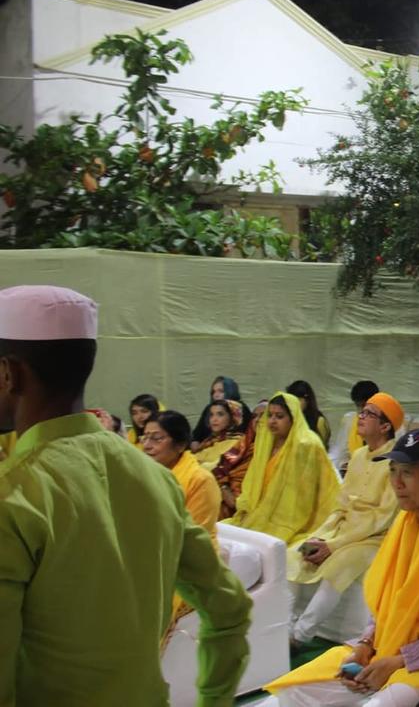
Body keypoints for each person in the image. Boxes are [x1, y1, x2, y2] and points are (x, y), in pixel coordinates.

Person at [0, 285, 251, 705]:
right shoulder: (154, 479)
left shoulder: (16, 494)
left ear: (9, 374)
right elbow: (229, 610)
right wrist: (214, 698)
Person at [265, 429, 419, 707]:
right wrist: (365, 645)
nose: (396, 483)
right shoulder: (404, 523)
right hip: (387, 649)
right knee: (294, 693)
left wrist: (400, 661)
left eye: (407, 472)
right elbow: (388, 603)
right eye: (392, 471)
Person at [286, 393, 404, 646]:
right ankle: (285, 626)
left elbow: (381, 518)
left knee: (337, 567)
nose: (360, 417)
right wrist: (322, 535)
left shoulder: (395, 462)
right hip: (341, 531)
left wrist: (333, 545)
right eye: (362, 411)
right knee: (296, 552)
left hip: (373, 539)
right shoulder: (359, 455)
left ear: (385, 426)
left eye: (369, 414)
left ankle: (299, 636)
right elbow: (340, 506)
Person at [224, 392, 342, 545]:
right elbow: (254, 485)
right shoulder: (266, 443)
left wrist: (274, 518)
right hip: (260, 513)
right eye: (270, 415)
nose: (272, 421)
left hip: (294, 519)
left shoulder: (306, 445)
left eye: (279, 416)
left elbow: (304, 497)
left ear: (293, 419)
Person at [142, 409, 222, 542]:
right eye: (144, 437)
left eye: (156, 439)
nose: (146, 446)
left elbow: (194, 536)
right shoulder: (144, 472)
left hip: (189, 555)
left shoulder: (200, 480)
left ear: (180, 445)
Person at [212, 399, 267, 519]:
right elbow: (220, 469)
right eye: (254, 416)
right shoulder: (244, 444)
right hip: (225, 495)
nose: (257, 420)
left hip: (250, 507)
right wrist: (224, 489)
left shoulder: (276, 451)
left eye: (263, 416)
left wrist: (236, 502)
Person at [330, 380, 381, 474]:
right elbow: (340, 452)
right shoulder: (350, 420)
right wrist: (343, 463)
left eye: (364, 405)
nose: (362, 410)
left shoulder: (387, 423)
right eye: (358, 406)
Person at [191, 399, 246, 470]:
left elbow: (219, 468)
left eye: (220, 414)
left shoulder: (237, 443)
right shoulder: (211, 440)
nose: (214, 419)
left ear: (232, 417)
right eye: (211, 415)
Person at [287, 380, 332, 447]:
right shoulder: (288, 418)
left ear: (307, 400)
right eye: (291, 400)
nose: (294, 403)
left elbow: (321, 449)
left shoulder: (319, 421)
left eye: (298, 400)